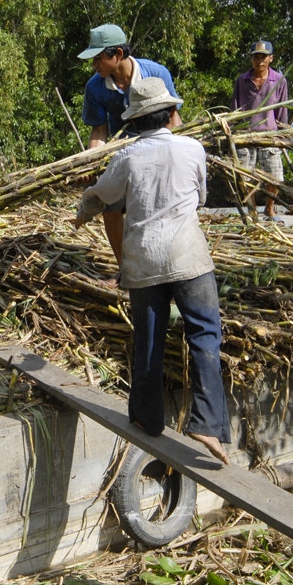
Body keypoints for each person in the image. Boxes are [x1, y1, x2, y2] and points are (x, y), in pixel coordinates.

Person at [75, 76, 231, 464]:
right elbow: (201, 196)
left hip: (142, 259)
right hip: (188, 256)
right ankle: (207, 424)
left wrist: (82, 212)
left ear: (136, 121)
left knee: (147, 339)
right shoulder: (193, 149)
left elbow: (101, 197)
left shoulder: (125, 157)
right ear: (171, 114)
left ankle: (147, 418)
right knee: (205, 335)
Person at [78, 24, 179, 272]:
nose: (95, 65)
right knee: (110, 208)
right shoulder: (95, 87)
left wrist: (174, 155)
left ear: (118, 55)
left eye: (99, 58)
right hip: (123, 155)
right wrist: (91, 163)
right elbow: (99, 132)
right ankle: (127, 271)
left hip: (158, 147)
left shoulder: (155, 74)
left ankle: (166, 267)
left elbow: (173, 118)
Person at [230, 40, 290, 216]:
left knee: (275, 177)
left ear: (270, 58)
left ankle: (269, 209)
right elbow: (235, 108)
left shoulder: (279, 80)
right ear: (252, 59)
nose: (260, 61)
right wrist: (232, 131)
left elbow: (282, 109)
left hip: (269, 135)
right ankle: (253, 211)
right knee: (245, 178)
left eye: (263, 57)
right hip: (245, 136)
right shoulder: (242, 81)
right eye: (256, 57)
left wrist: (283, 134)